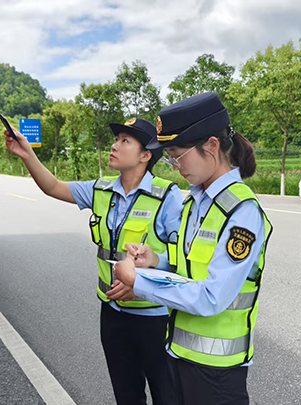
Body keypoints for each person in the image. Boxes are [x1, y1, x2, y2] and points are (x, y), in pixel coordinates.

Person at [4, 117, 181, 405]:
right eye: (116, 139)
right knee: (126, 395)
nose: (114, 145)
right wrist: (27, 154)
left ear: (146, 155)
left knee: (167, 395)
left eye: (125, 141)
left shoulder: (166, 196)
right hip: (113, 315)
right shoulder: (101, 189)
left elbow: (182, 258)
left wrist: (145, 280)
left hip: (154, 318)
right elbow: (53, 187)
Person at [112, 93, 273, 405]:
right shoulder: (194, 201)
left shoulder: (241, 211)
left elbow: (213, 297)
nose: (175, 166)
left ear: (211, 146)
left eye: (178, 155)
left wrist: (138, 282)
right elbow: (191, 264)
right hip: (178, 355)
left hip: (217, 375)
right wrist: (156, 260)